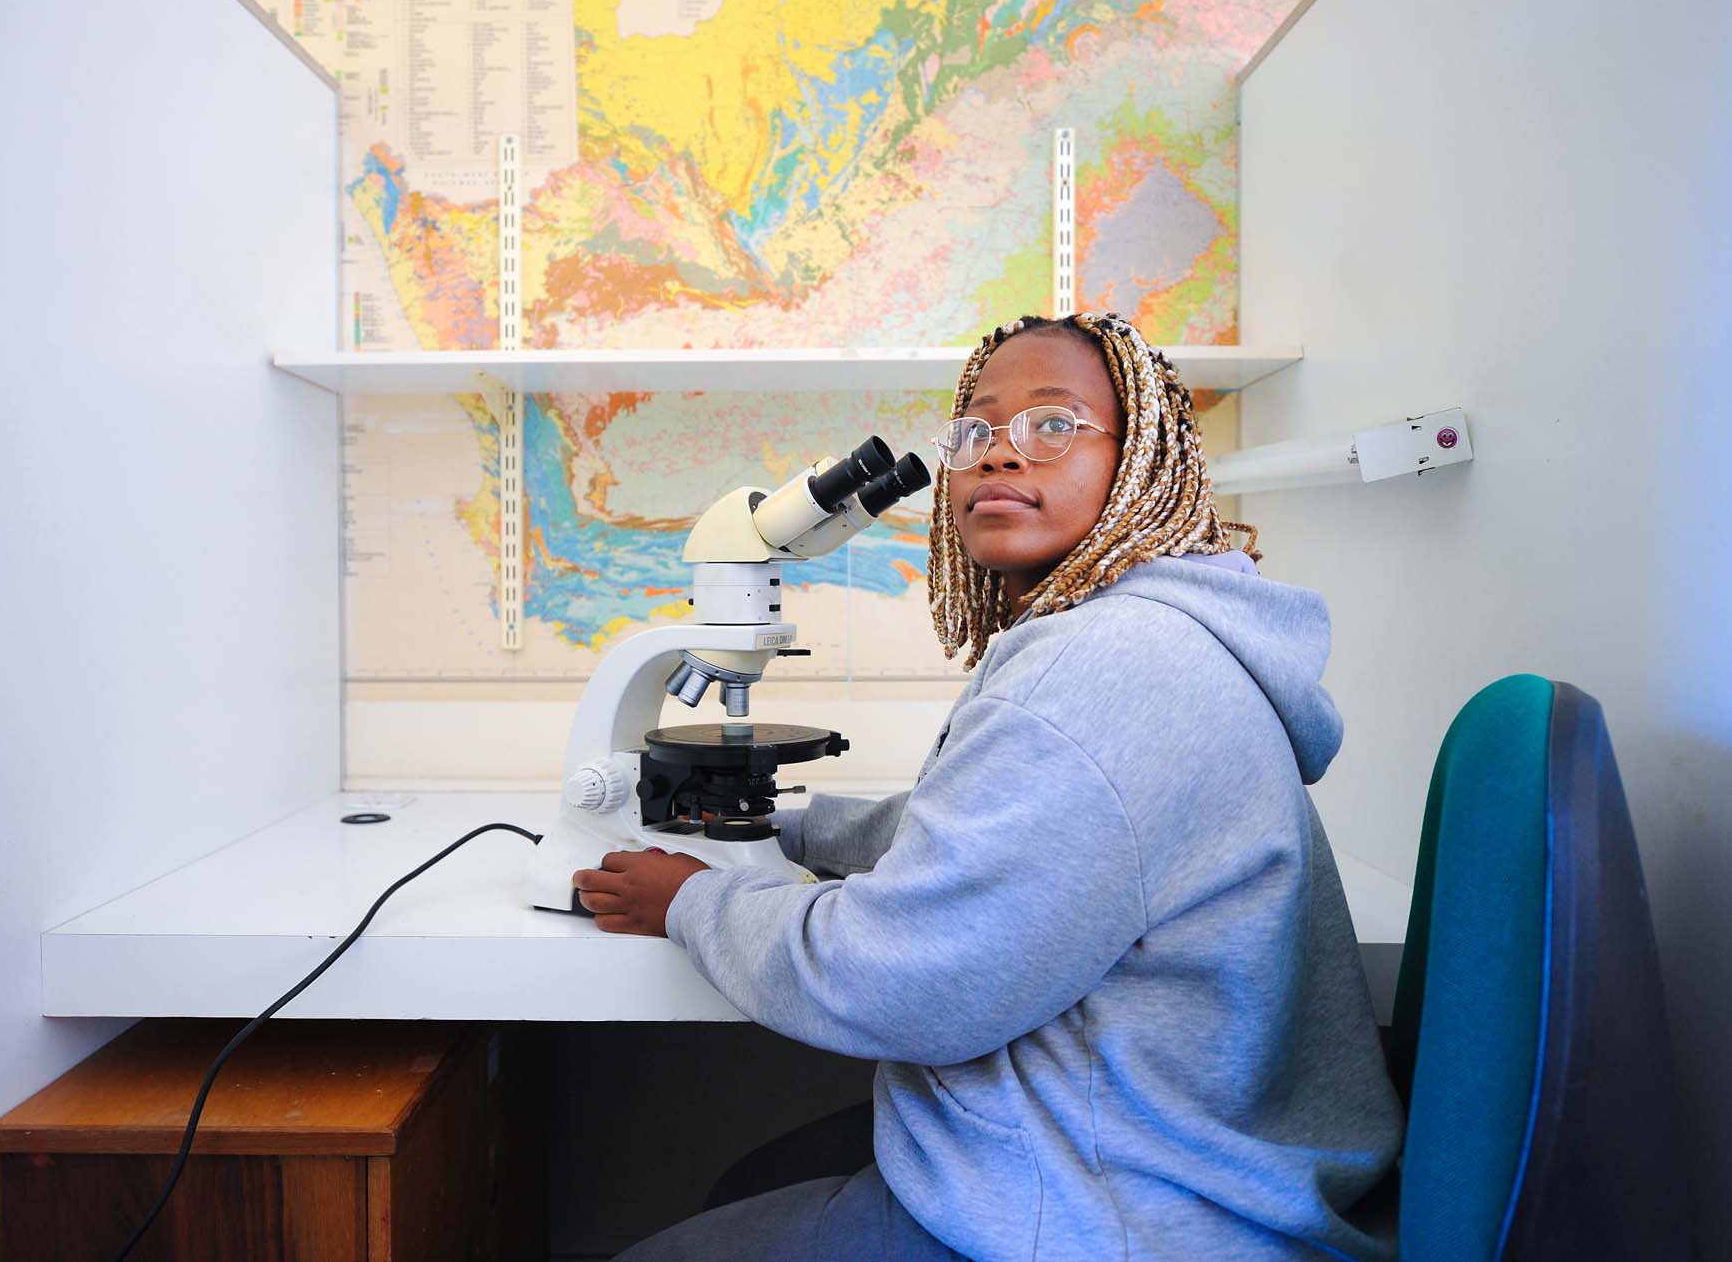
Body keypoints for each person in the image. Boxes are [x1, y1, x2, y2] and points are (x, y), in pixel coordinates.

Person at [572, 312, 1403, 1261]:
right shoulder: (1156, 634)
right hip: (1174, 1160)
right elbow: (1004, 836)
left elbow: (901, 980)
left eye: (1053, 425)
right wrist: (798, 829)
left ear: (1144, 462)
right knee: (747, 1181)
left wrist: (693, 899)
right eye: (976, 431)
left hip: (1112, 1216)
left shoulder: (1096, 671)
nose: (1001, 455)